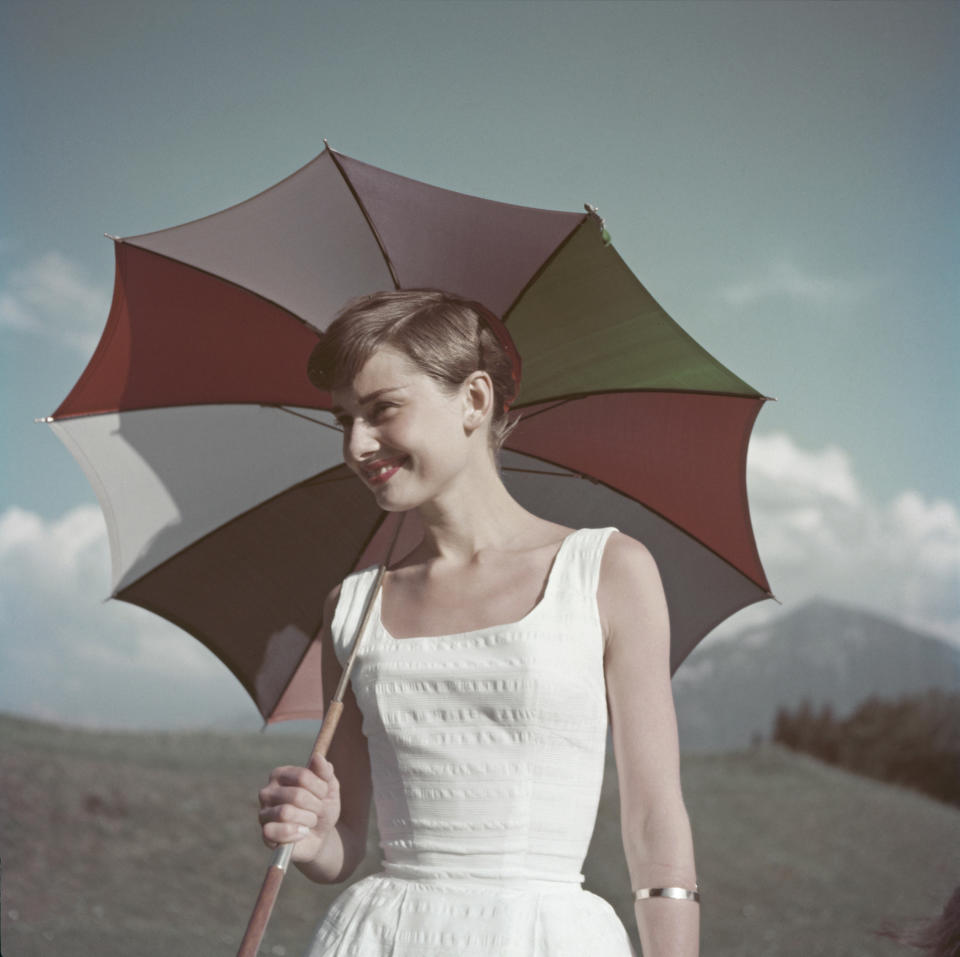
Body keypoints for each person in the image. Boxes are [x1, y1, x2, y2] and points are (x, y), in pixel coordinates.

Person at [257, 289, 700, 956]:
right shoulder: (352, 604)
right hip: (384, 936)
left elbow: (652, 820)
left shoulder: (607, 570)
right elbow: (346, 842)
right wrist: (316, 836)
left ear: (474, 399)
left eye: (382, 410)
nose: (356, 444)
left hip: (544, 937)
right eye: (343, 420)